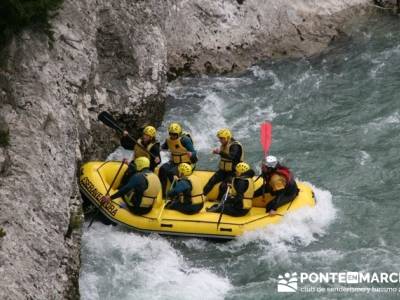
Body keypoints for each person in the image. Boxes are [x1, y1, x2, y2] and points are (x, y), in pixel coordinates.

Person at [203, 128, 244, 200]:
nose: (220, 140)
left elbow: (231, 156)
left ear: (228, 138)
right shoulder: (224, 144)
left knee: (223, 186)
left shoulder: (235, 146)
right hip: (223, 170)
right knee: (211, 181)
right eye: (219, 138)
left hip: (233, 171)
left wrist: (220, 152)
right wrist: (217, 152)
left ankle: (219, 201)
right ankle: (202, 196)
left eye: (222, 138)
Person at [159, 122, 198, 197]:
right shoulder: (168, 140)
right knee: (162, 169)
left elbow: (194, 152)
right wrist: (159, 148)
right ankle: (163, 193)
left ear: (179, 133)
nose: (172, 136)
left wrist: (191, 154)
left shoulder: (185, 140)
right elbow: (164, 146)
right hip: (174, 162)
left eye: (174, 134)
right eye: (171, 134)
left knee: (172, 172)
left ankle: (176, 193)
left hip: (186, 163)